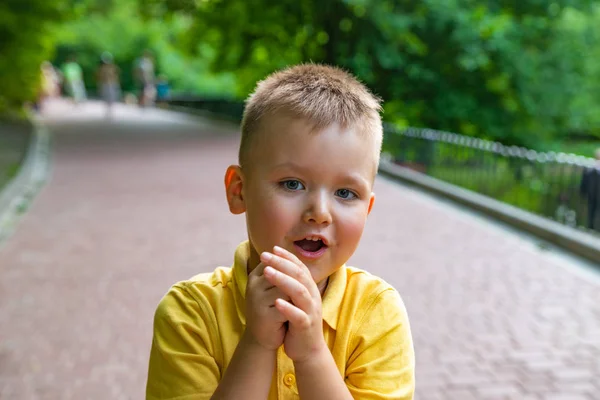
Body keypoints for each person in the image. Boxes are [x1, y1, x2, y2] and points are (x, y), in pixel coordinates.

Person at [146, 64, 415, 399]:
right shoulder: (190, 314)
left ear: (368, 209)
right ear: (239, 190)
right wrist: (256, 344)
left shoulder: (377, 312)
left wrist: (313, 354)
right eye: (292, 184)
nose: (319, 213)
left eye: (345, 193)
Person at [580, 148, 600, 231]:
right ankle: (591, 227)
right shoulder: (590, 168)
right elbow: (584, 181)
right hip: (592, 194)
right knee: (591, 210)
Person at [96, 52, 120, 118]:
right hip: (105, 83)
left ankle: (110, 108)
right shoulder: (102, 68)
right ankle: (108, 108)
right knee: (106, 96)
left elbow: (116, 75)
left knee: (112, 96)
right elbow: (99, 76)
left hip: (111, 83)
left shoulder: (113, 67)